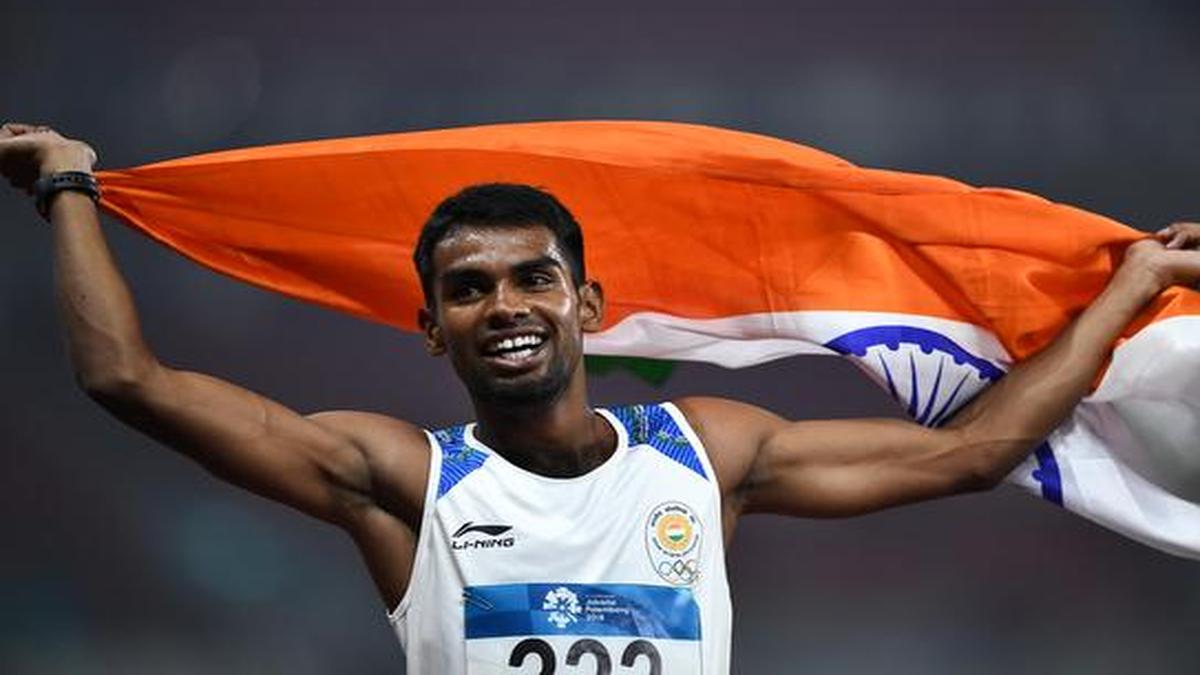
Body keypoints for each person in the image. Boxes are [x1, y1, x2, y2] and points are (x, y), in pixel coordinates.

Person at [3, 121, 1199, 674]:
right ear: (431, 329)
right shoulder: (402, 478)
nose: (505, 304)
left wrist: (1128, 289)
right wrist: (69, 186)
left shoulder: (708, 453)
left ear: (588, 305)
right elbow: (126, 380)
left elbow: (973, 453)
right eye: (467, 289)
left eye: (534, 278)